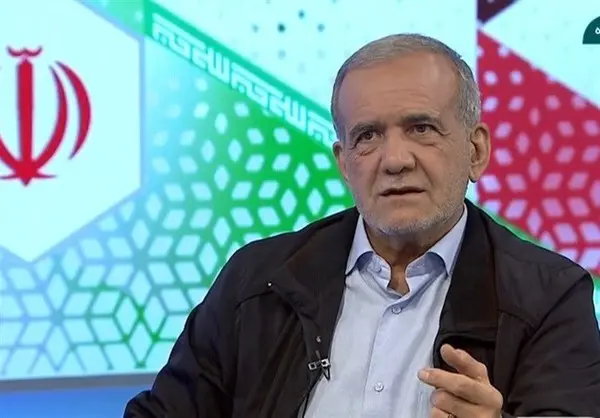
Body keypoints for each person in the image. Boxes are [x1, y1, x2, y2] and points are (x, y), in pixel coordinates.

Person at [124, 34, 600, 418]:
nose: (394, 160)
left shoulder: (549, 297)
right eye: (367, 136)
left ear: (475, 151)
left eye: (421, 129)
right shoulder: (257, 280)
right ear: (344, 163)